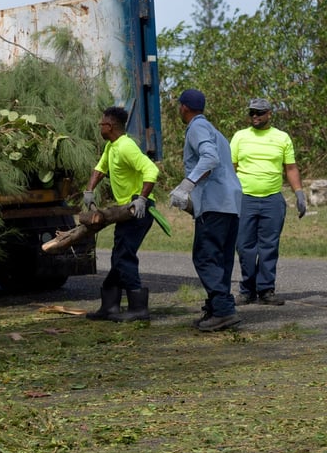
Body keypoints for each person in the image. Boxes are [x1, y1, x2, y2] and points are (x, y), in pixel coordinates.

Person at [169, 89, 243, 332]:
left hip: (215, 204)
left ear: (184, 108)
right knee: (220, 259)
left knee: (205, 256)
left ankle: (223, 311)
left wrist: (186, 185)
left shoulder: (197, 128)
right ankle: (216, 307)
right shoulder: (216, 132)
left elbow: (209, 159)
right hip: (230, 204)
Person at [82, 106, 159, 322]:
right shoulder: (111, 146)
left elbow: (151, 170)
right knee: (118, 257)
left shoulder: (126, 146)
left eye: (101, 124)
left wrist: (142, 198)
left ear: (111, 126)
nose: (99, 127)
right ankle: (110, 306)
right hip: (124, 212)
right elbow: (100, 168)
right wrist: (89, 190)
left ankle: (139, 308)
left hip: (138, 211)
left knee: (124, 257)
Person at [230, 97, 307, 307]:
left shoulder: (282, 138)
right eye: (252, 113)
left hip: (272, 199)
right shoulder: (240, 137)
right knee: (245, 246)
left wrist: (299, 192)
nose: (255, 116)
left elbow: (290, 168)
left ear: (269, 114)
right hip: (245, 199)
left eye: (259, 113)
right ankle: (247, 290)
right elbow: (231, 168)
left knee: (268, 246)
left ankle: (266, 290)